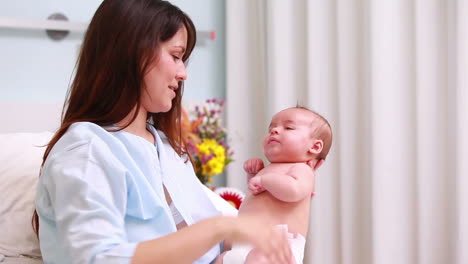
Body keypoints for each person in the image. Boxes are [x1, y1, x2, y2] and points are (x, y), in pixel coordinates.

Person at [32, 0, 294, 263]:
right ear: (133, 52)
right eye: (176, 56)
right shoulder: (87, 149)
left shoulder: (166, 148)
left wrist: (267, 215)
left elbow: (202, 241)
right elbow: (98, 259)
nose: (183, 74)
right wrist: (222, 227)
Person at [216, 107, 333, 264]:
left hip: (277, 246)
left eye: (288, 127)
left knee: (259, 258)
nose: (275, 131)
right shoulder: (270, 170)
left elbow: (293, 190)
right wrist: (254, 176)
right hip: (244, 243)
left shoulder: (302, 169)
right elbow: (260, 198)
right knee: (221, 259)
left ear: (314, 147)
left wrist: (264, 180)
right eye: (271, 128)